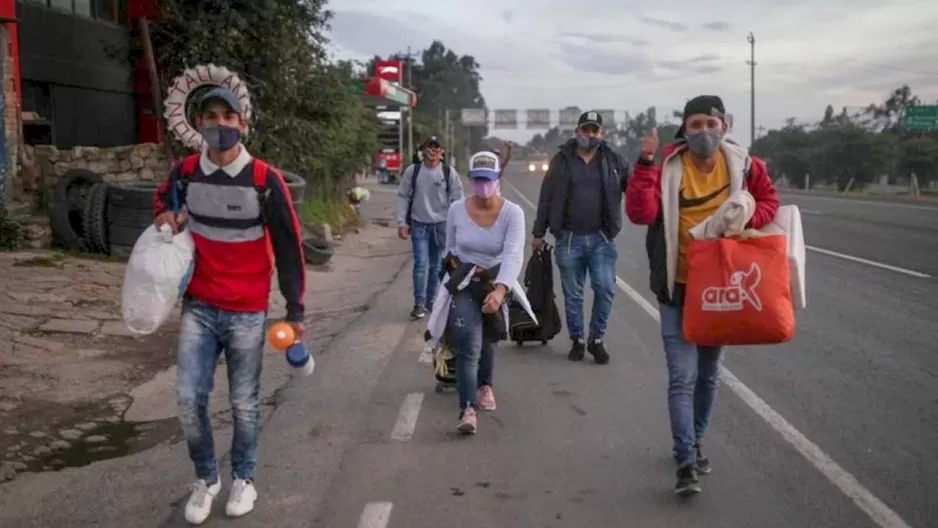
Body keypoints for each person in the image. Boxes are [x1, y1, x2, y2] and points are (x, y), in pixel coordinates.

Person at [153, 87, 306, 524]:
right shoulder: (184, 172)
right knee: (188, 399)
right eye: (211, 116)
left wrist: (295, 312)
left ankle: (243, 478)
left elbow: (290, 248)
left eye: (229, 116)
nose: (220, 124)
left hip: (247, 309)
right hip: (199, 306)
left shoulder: (264, 179)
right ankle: (206, 479)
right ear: (198, 123)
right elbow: (162, 199)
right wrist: (164, 215)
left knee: (244, 402)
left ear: (243, 123)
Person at [625, 95, 779, 496]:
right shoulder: (668, 169)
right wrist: (644, 164)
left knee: (709, 376)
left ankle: (696, 439)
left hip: (722, 291)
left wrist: (746, 216)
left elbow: (769, 202)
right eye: (696, 125)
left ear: (724, 125)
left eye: (711, 124)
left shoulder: (746, 166)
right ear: (685, 131)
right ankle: (686, 460)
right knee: (682, 377)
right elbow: (641, 214)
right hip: (677, 287)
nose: (704, 132)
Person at [429, 151, 528, 434]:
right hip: (464, 282)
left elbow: (513, 256)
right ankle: (467, 409)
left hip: (496, 281)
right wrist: (454, 269)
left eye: (488, 180)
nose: (483, 186)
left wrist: (499, 291)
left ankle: (485, 384)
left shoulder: (513, 214)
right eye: (478, 180)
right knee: (468, 345)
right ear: (471, 180)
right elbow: (449, 248)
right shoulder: (457, 210)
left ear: (498, 179)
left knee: (489, 339)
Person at [531, 111, 630, 364]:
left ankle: (597, 339)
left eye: (595, 131)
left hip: (602, 238)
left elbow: (635, 188)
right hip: (569, 238)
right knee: (573, 294)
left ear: (601, 134)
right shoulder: (561, 161)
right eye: (586, 130)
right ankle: (577, 340)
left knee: (605, 288)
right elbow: (546, 197)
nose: (590, 135)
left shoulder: (614, 160)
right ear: (577, 132)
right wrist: (538, 232)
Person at [396, 136, 464, 319]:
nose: (432, 152)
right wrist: (402, 222)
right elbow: (403, 196)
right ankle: (419, 303)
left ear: (442, 152)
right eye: (429, 148)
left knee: (436, 266)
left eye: (436, 148)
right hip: (419, 224)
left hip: (441, 226)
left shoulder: (449, 173)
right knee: (420, 264)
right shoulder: (413, 171)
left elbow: (458, 201)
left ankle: (430, 301)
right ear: (423, 151)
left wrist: (458, 226)